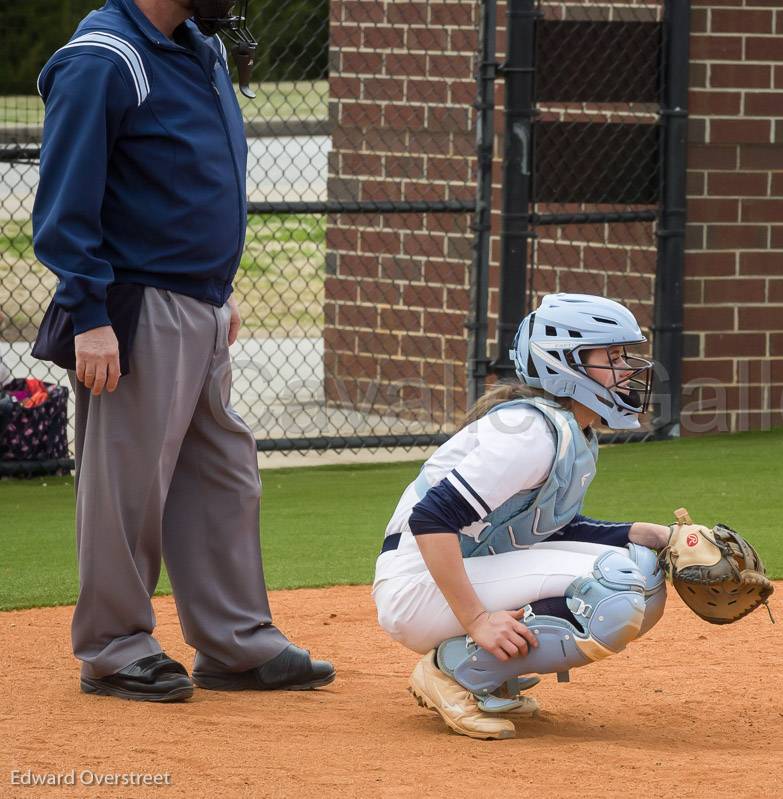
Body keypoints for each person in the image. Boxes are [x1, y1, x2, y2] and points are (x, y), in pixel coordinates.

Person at [32, 0, 332, 702]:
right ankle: (113, 646)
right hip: (134, 303)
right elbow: (64, 202)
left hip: (198, 298)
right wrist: (88, 316)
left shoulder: (198, 46)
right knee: (127, 482)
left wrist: (217, 286)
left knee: (223, 474)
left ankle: (236, 643)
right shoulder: (105, 57)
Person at [372, 293, 671, 740]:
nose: (626, 369)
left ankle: (488, 669)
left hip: (457, 570)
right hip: (419, 587)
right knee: (619, 586)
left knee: (642, 570)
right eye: (611, 356)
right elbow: (431, 519)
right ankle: (454, 670)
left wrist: (643, 532)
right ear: (564, 364)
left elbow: (544, 529)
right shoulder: (531, 434)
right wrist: (477, 620)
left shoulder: (564, 429)